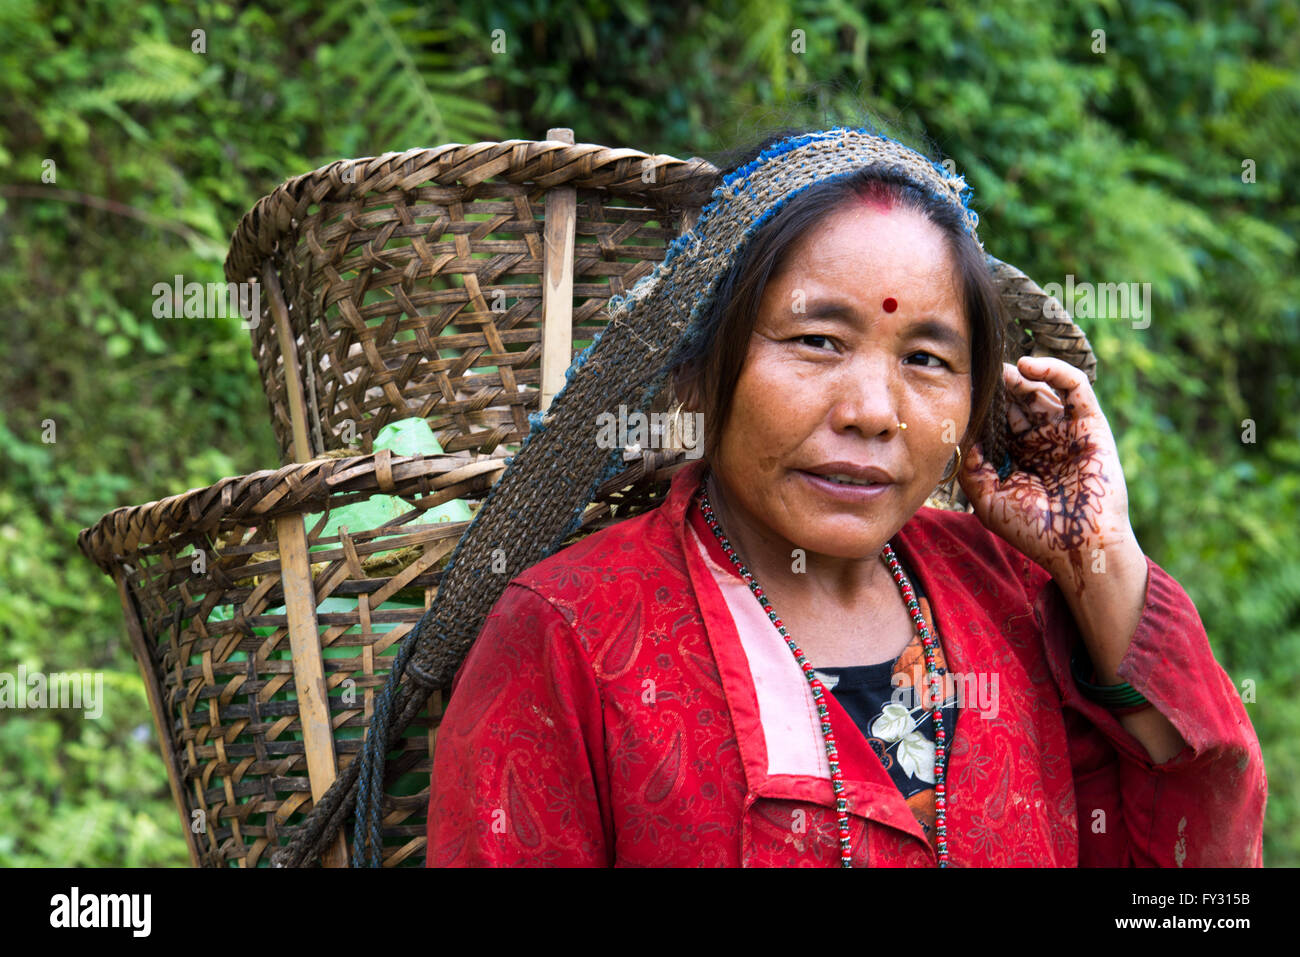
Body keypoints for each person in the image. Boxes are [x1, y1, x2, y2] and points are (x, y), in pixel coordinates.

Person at [425, 125, 1267, 867]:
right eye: (817, 340)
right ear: (698, 369)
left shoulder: (1012, 598)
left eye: (927, 359)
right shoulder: (571, 632)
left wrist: (1096, 558)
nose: (872, 410)